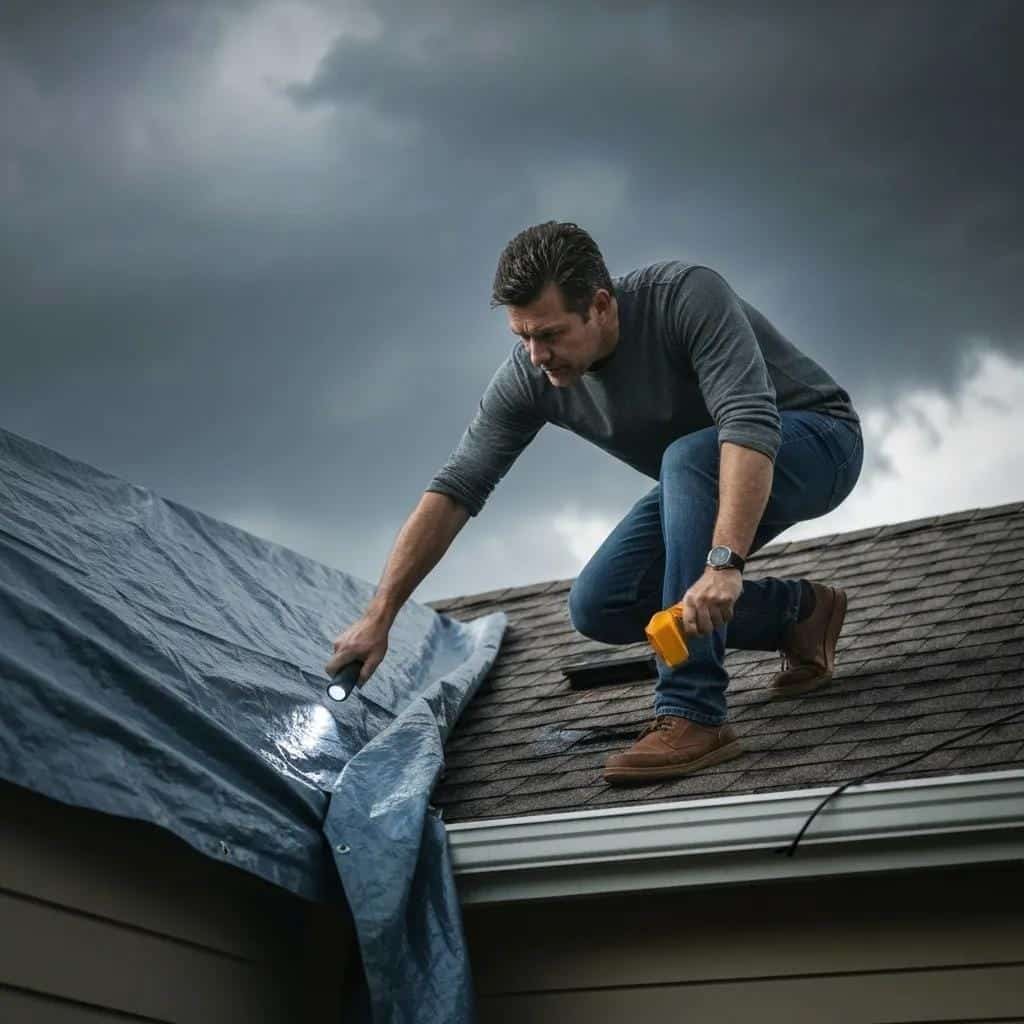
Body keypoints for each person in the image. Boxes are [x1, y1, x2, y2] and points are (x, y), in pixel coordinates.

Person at [326, 221, 864, 785]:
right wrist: (379, 616)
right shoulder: (530, 376)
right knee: (602, 602)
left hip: (817, 446)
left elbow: (749, 420)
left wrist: (724, 563)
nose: (537, 355)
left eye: (551, 334)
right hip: (703, 477)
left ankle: (694, 712)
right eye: (523, 337)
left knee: (685, 458)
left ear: (601, 306)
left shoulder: (685, 297)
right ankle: (799, 615)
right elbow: (457, 486)